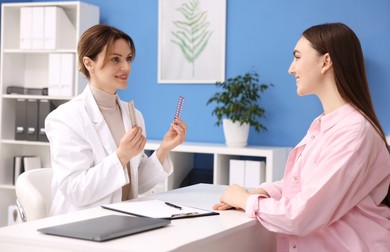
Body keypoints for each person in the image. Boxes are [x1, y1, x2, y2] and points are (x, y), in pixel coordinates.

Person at [213, 23, 390, 251]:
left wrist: (245, 200)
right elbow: (310, 184)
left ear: (326, 62)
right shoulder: (324, 124)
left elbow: (301, 216)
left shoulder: (353, 132)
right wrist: (265, 192)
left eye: (297, 57)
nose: (290, 68)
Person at [45, 24, 187, 216]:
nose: (126, 67)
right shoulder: (64, 118)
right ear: (89, 63)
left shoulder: (134, 115)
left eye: (128, 59)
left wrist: (164, 149)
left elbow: (135, 183)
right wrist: (121, 156)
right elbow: (75, 190)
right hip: (79, 224)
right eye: (115, 59)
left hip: (123, 218)